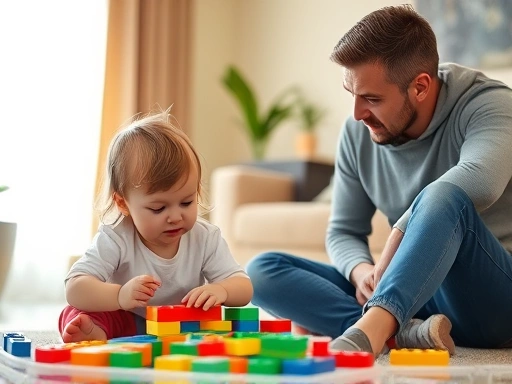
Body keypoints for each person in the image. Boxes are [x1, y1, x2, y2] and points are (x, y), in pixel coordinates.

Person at [246, 4, 512, 357]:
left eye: (371, 99)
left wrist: (392, 250)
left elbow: (482, 180)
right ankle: (402, 332)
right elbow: (343, 231)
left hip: (492, 299)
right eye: (352, 95)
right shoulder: (359, 132)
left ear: (420, 86)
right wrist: (362, 272)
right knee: (262, 270)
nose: (357, 114)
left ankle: (374, 328)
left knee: (445, 195)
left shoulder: (490, 104)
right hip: (417, 295)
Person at [59, 109, 253, 342]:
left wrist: (222, 290)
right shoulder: (117, 236)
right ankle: (92, 333)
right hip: (128, 318)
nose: (175, 217)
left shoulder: (205, 237)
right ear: (123, 203)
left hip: (184, 323)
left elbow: (244, 287)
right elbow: (75, 287)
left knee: (221, 322)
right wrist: (120, 295)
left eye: (186, 202)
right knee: (74, 312)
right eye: (158, 208)